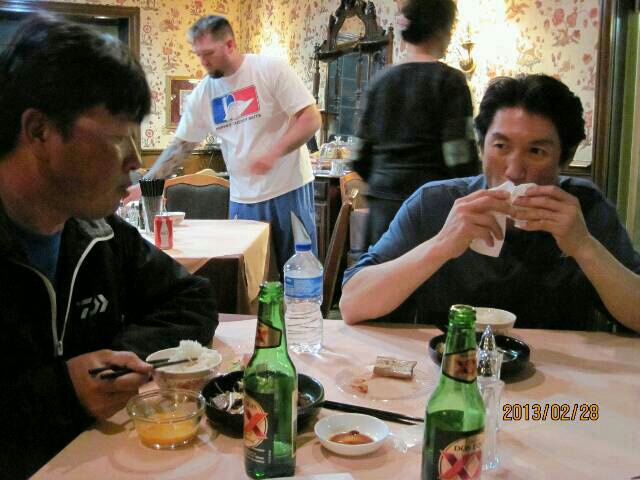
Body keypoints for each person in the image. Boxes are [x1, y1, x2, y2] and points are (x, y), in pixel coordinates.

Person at [0, 14, 218, 478]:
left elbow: (193, 298)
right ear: (39, 131)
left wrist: (115, 361)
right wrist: (64, 392)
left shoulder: (97, 233)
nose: (136, 161)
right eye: (118, 138)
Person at [340, 74, 640, 333]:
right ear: (481, 147)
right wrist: (442, 244)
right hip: (451, 369)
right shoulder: (434, 203)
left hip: (561, 377)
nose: (514, 170)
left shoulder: (585, 209)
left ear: (566, 158)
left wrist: (584, 246)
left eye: (536, 151)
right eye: (501, 146)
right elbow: (352, 304)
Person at [133, 15, 322, 273]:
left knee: (301, 273)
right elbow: (181, 147)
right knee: (248, 278)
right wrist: (146, 184)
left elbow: (310, 119)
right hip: (242, 198)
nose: (203, 61)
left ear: (230, 45)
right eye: (199, 55)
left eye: (209, 53)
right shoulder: (203, 94)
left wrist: (273, 153)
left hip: (288, 189)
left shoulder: (270, 69)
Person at [353, 0, 479, 247]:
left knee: (384, 269)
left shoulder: (379, 82)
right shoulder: (450, 82)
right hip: (430, 209)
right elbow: (460, 158)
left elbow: (359, 156)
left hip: (383, 207)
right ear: (443, 29)